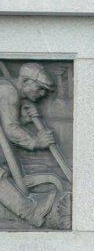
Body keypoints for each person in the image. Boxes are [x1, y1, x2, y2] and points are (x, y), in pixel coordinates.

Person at [0, 63, 58, 227]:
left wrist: (23, 119)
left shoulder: (6, 89)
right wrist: (36, 142)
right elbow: (11, 130)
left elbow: (7, 122)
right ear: (25, 81)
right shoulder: (8, 91)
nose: (41, 94)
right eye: (39, 88)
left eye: (45, 91)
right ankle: (31, 212)